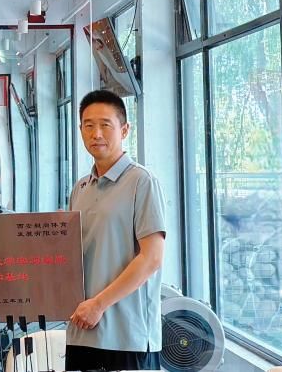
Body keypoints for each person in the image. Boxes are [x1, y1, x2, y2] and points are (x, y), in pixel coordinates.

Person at [66, 89, 166, 372]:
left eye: (105, 125)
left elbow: (152, 258)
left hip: (126, 337)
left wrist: (99, 304)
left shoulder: (142, 182)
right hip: (82, 331)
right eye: (88, 125)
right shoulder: (81, 188)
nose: (96, 133)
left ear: (124, 129)